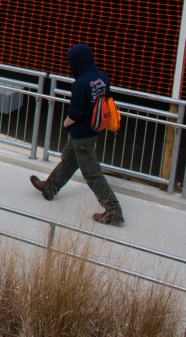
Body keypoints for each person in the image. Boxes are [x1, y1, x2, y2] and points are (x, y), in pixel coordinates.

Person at [29, 43, 125, 226]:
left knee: (92, 173)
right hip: (92, 129)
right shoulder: (101, 76)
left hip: (83, 135)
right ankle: (49, 188)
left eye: (71, 62)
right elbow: (107, 98)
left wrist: (65, 125)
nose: (70, 66)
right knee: (69, 160)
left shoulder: (80, 84)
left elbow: (75, 114)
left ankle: (114, 211)